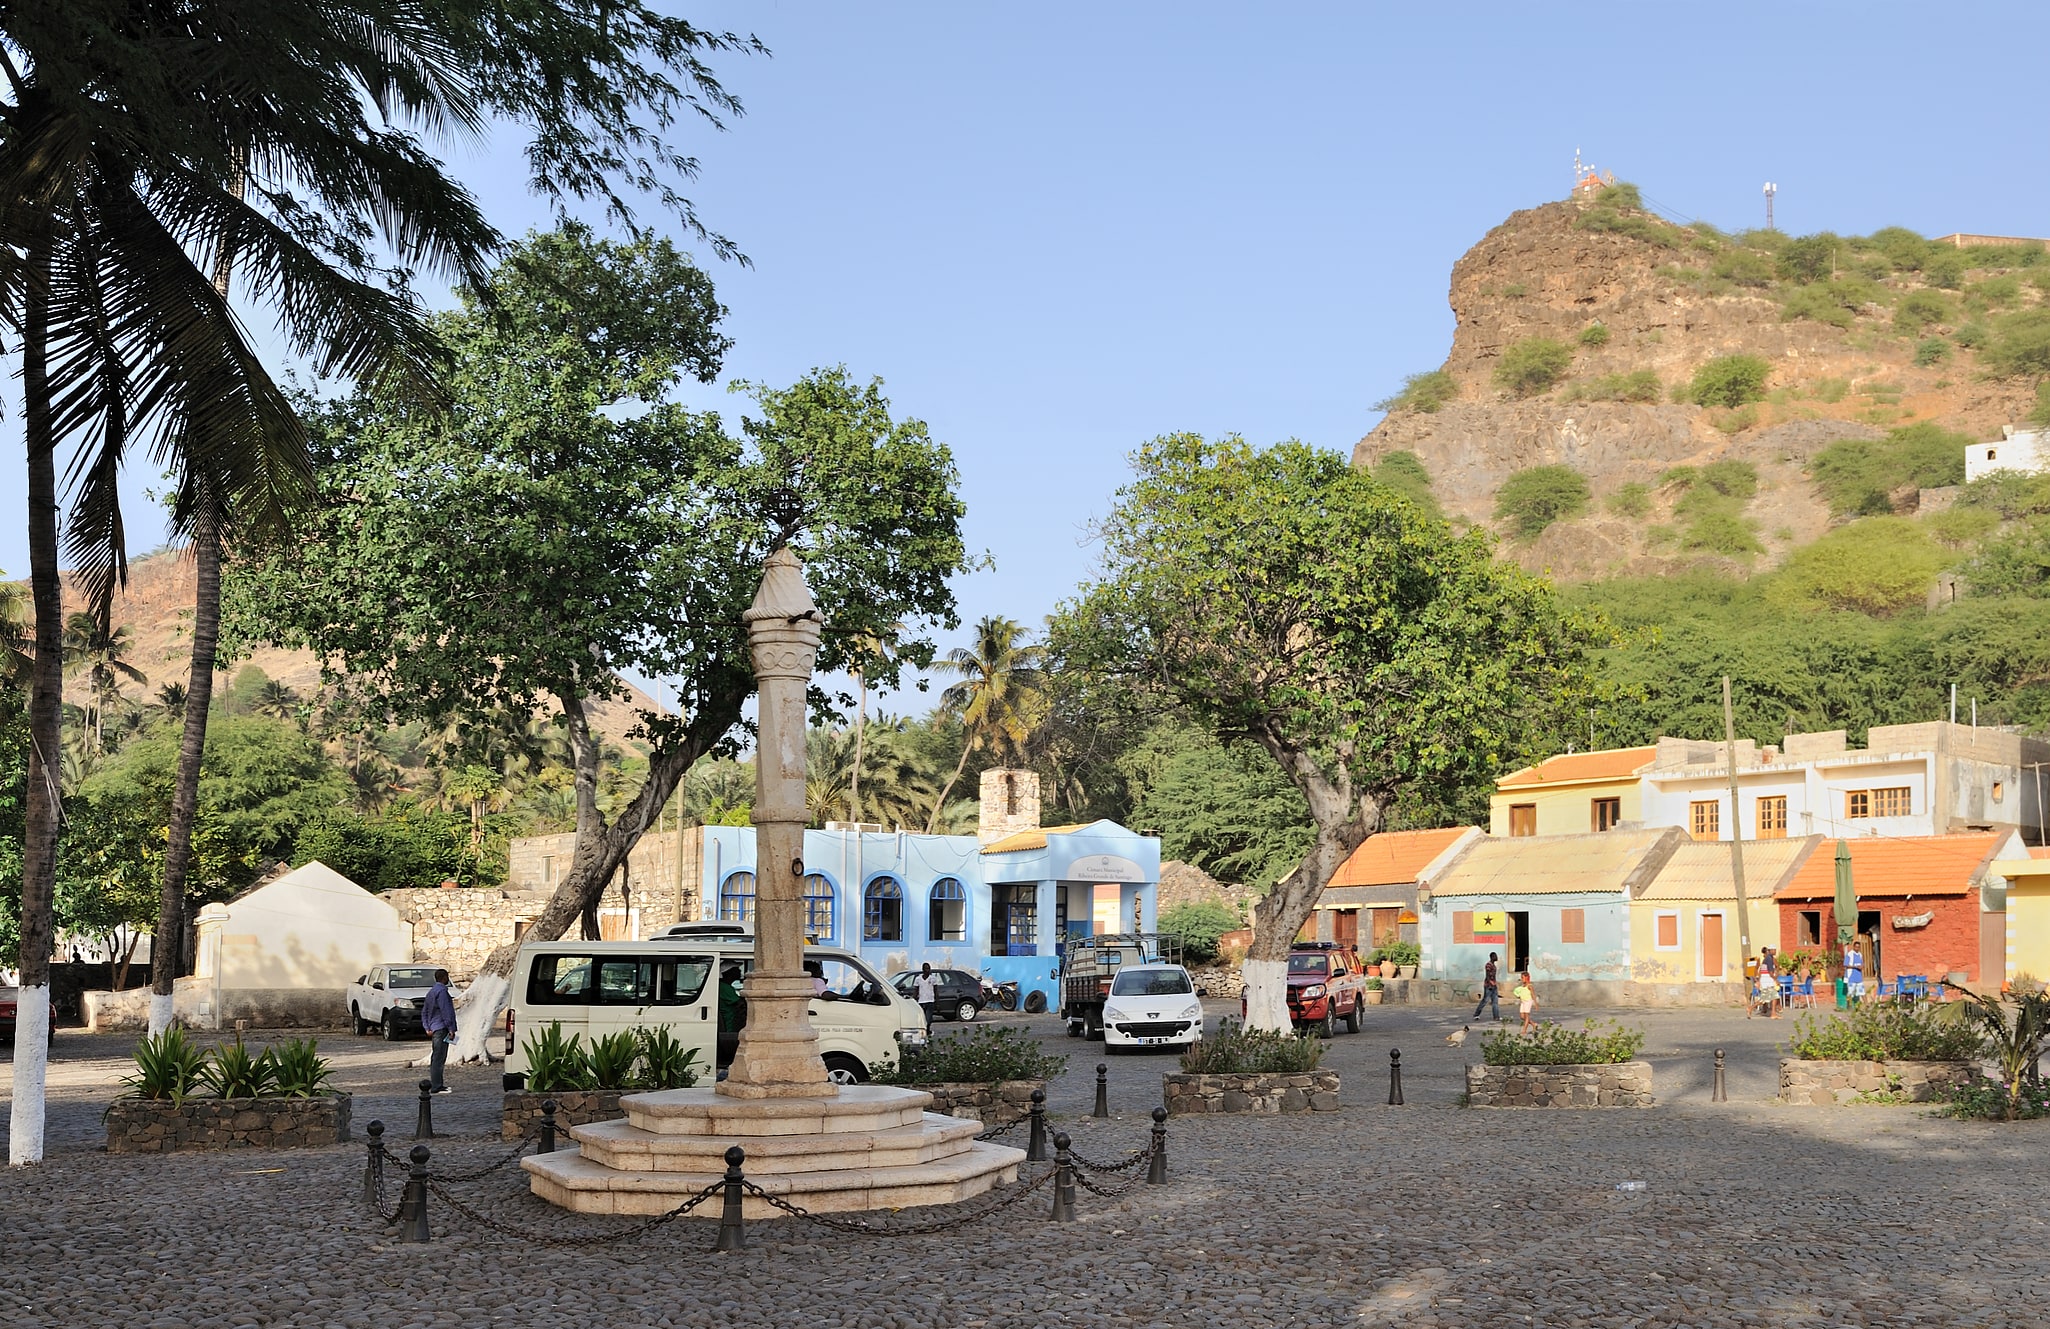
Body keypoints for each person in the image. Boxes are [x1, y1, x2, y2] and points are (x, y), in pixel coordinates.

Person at [422, 969, 457, 1094]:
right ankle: (437, 1085)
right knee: (439, 1057)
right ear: (444, 977)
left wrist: (427, 1027)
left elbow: (424, 1011)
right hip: (441, 1027)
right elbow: (446, 1011)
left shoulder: (431, 992)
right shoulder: (442, 992)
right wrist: (451, 1028)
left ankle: (437, 1083)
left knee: (436, 1056)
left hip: (434, 1027)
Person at [1473, 951, 1502, 1022]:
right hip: (1488, 986)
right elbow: (1487, 974)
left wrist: (1495, 983)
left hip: (1494, 985)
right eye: (1495, 956)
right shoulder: (1488, 965)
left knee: (1495, 1001)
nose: (1497, 957)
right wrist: (1490, 982)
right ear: (1492, 957)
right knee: (1485, 1000)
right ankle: (1476, 1014)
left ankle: (1496, 1016)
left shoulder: (1494, 965)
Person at [1843, 940, 1866, 1004]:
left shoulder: (1860, 955)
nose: (1857, 948)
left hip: (1859, 977)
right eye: (1856, 947)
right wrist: (1855, 967)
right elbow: (1845, 965)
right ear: (1853, 947)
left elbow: (1862, 964)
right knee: (1850, 992)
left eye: (1858, 947)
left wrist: (1862, 966)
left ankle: (1867, 1005)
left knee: (1862, 992)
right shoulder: (1849, 954)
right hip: (1851, 977)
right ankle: (1848, 1006)